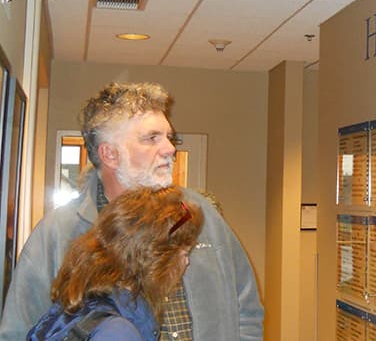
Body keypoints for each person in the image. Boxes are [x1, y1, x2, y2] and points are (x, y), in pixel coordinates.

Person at [0, 82, 264, 340]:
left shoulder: (200, 215)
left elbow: (247, 309)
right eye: (152, 138)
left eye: (169, 137)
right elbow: (17, 330)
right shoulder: (57, 233)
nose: (170, 149)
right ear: (110, 154)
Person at [27, 186, 204, 340]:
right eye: (184, 253)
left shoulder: (83, 304)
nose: (186, 262)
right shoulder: (118, 332)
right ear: (152, 259)